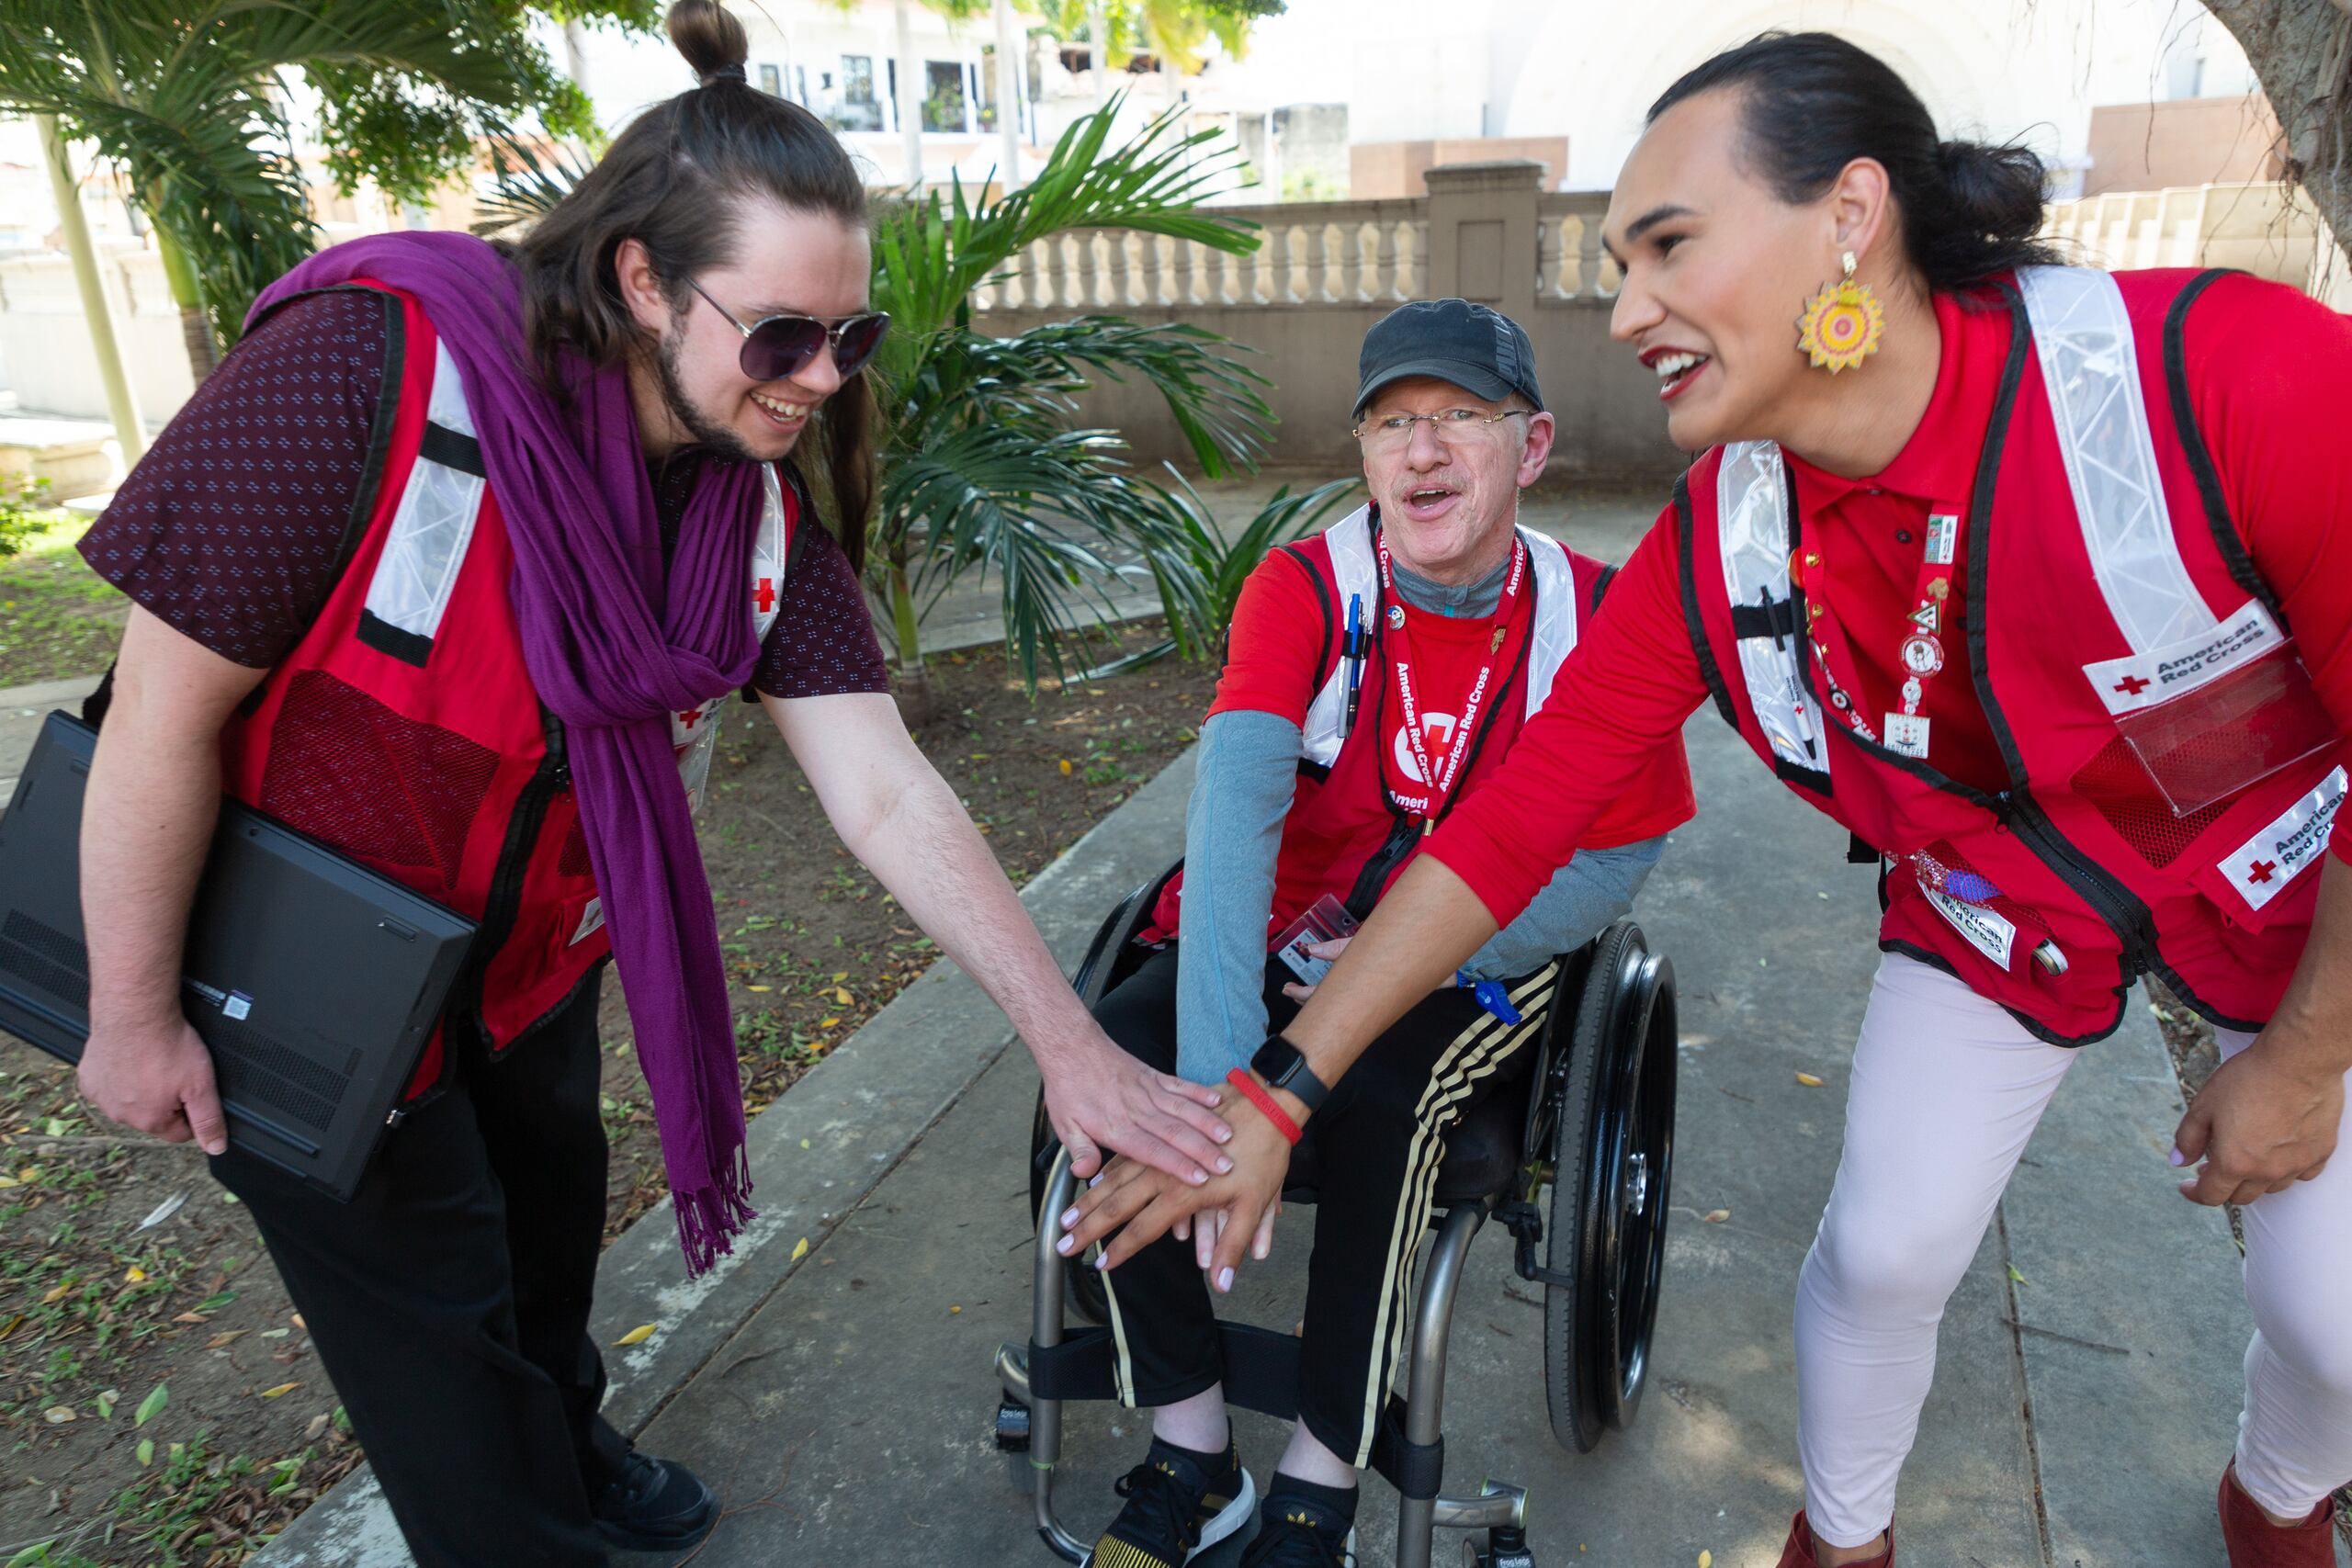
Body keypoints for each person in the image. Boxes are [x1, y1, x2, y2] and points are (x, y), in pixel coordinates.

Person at [1062, 31, 2352, 1568]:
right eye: (1618, 260)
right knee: (1883, 1254)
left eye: (1669, 245)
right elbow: (1514, 825)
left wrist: (2309, 1057)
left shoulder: (2221, 377)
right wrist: (1272, 1089)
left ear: (1850, 216)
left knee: (2329, 1319)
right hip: (2001, 913)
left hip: (2300, 906)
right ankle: (1844, 1540)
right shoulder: (1714, 544)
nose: (1625, 310)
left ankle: (2280, 1491)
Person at [67, 6, 1235, 1563]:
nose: (821, 379)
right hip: (313, 962)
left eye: (851, 338)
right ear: (638, 279)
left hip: (524, 959)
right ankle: (519, 1515)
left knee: (546, 1242)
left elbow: (882, 784)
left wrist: (1069, 1044)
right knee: (442, 1352)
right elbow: (159, 712)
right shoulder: (370, 362)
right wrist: (132, 1019)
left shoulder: (729, 506)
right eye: (780, 337)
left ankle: (569, 1433)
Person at [1064, 299, 1694, 1568]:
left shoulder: (1598, 615)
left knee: (1395, 1106)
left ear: (1534, 445)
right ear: (1361, 455)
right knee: (1109, 1078)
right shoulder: (1303, 587)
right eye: (1395, 423)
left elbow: (1613, 859)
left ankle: (1318, 1477)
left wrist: (1420, 960)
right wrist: (1218, 1091)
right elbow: (1235, 815)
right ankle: (1193, 1454)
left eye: (1464, 417)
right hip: (1287, 925)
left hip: (1474, 962)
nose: (1425, 452)